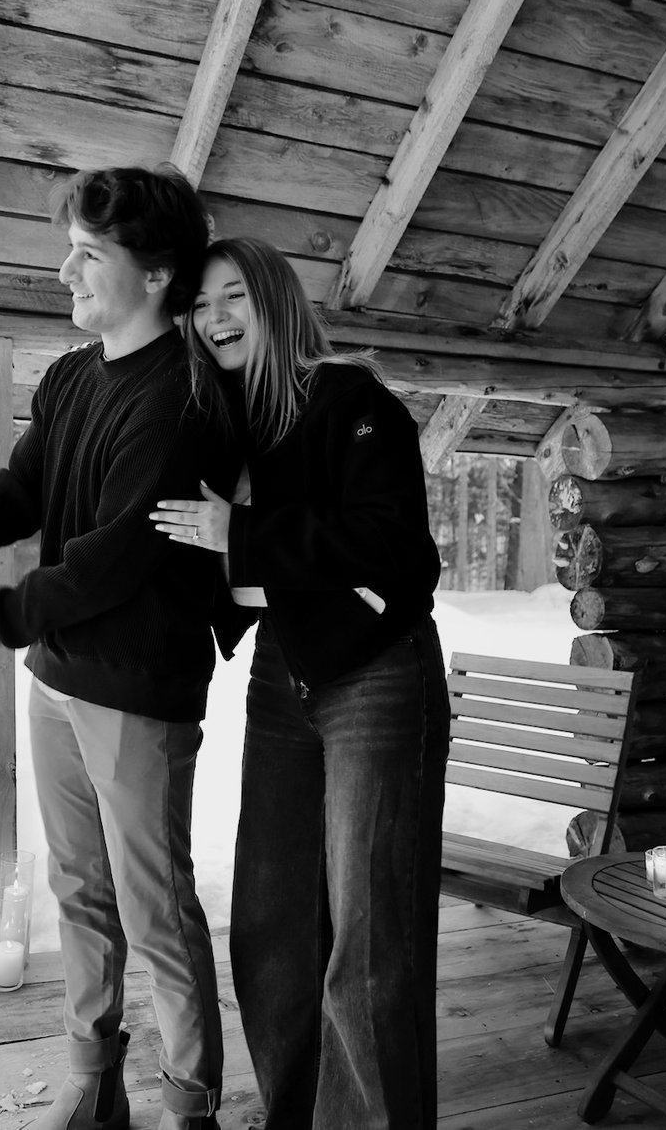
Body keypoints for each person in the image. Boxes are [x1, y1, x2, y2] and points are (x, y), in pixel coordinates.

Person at [0, 165, 234, 1130]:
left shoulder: (182, 398)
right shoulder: (69, 379)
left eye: (88, 254)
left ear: (155, 275)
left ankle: (190, 1106)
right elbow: (17, 500)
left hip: (138, 689)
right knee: (78, 892)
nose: (65, 270)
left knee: (156, 910)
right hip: (57, 680)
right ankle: (92, 1080)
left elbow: (109, 562)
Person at [150, 236, 450, 1130]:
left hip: (378, 675)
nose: (215, 320)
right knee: (272, 923)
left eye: (233, 296)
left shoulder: (349, 400)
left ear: (275, 301)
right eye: (201, 307)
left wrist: (239, 532)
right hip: (285, 676)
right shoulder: (231, 424)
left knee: (368, 941)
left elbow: (398, 551)